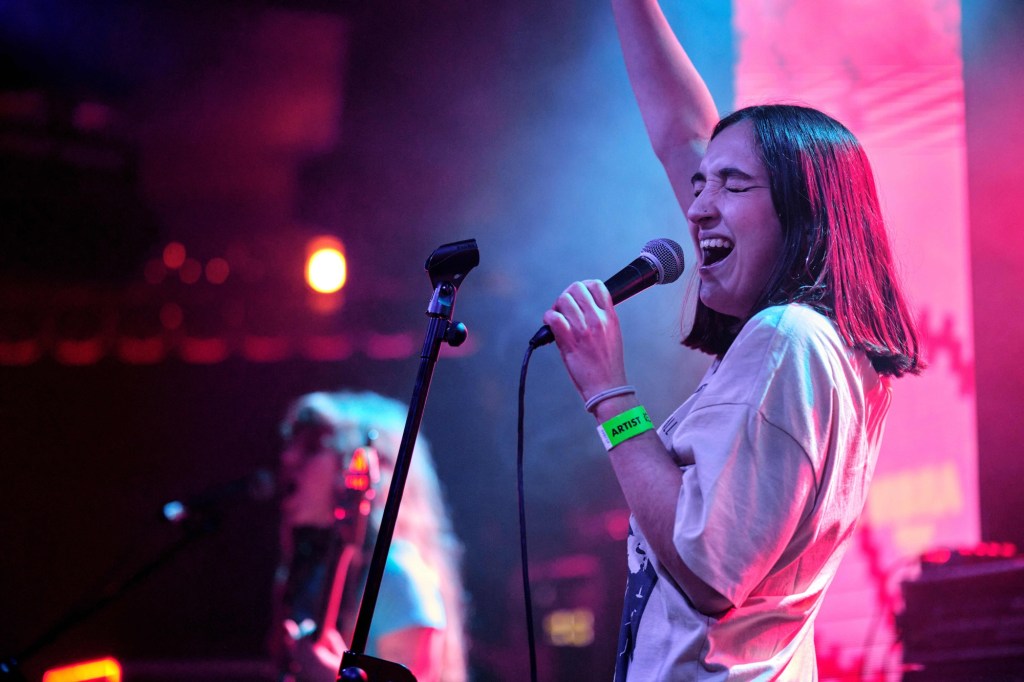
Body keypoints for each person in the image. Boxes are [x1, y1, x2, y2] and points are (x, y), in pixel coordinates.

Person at [541, 1, 923, 679]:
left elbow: (705, 569)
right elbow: (683, 135)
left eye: (732, 184)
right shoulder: (823, 347)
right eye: (700, 185)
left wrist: (609, 394)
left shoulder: (788, 340)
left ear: (801, 213)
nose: (696, 208)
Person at [271, 390, 468, 682]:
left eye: (313, 447)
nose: (288, 458)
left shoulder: (398, 578)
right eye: (292, 444)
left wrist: (329, 677)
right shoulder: (318, 571)